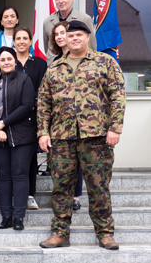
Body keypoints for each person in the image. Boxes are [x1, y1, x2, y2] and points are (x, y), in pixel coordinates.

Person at [37, 20, 125, 250]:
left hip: (95, 137)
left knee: (98, 187)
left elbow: (117, 95)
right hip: (62, 138)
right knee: (61, 188)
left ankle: (105, 233)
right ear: (64, 39)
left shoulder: (105, 62)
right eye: (70, 35)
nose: (74, 38)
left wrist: (115, 128)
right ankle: (60, 233)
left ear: (87, 37)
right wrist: (43, 134)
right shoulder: (55, 68)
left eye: (79, 35)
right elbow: (43, 103)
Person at [0, 47, 36, 231]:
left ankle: (19, 217)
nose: (6, 62)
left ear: (15, 61)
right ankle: (6, 216)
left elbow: (27, 105)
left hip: (22, 135)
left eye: (9, 59)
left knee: (20, 176)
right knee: (3, 177)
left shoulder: (24, 79)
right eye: (2, 59)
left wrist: (2, 123)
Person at [49, 21, 84, 209]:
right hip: (61, 123)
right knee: (63, 164)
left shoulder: (84, 59)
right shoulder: (55, 63)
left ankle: (76, 196)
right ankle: (63, 197)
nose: (60, 37)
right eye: (57, 34)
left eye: (63, 32)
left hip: (84, 123)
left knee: (79, 162)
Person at [13, 27, 47, 211]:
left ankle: (30, 194)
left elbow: (43, 87)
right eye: (18, 38)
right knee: (14, 158)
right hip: (12, 117)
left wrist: (30, 103)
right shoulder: (9, 61)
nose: (21, 41)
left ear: (30, 41)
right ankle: (15, 194)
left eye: (25, 38)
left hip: (34, 115)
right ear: (14, 42)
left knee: (30, 157)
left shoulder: (40, 64)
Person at [42, 0, 97, 65]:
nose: (61, 1)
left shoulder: (84, 19)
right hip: (54, 68)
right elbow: (48, 47)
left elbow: (92, 47)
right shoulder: (47, 22)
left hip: (79, 67)